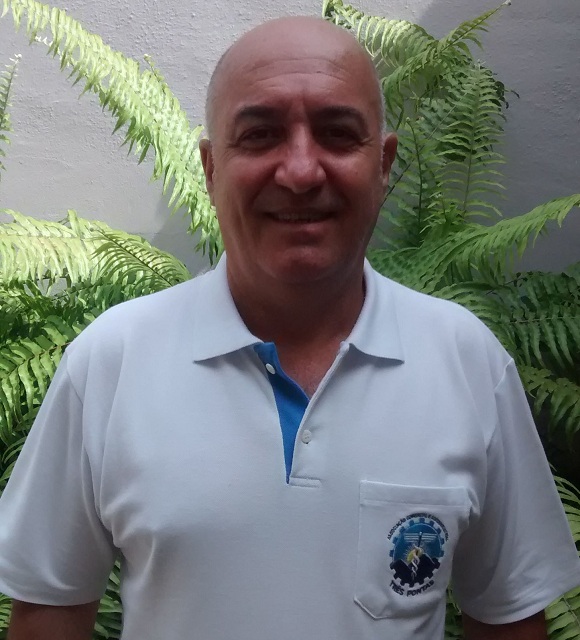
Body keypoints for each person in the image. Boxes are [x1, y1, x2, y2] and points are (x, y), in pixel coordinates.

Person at [0, 15, 579, 640]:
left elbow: (510, 617)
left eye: (337, 134)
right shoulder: (110, 363)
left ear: (383, 164)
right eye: (260, 135)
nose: (301, 172)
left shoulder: (467, 362)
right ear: (211, 168)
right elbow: (49, 612)